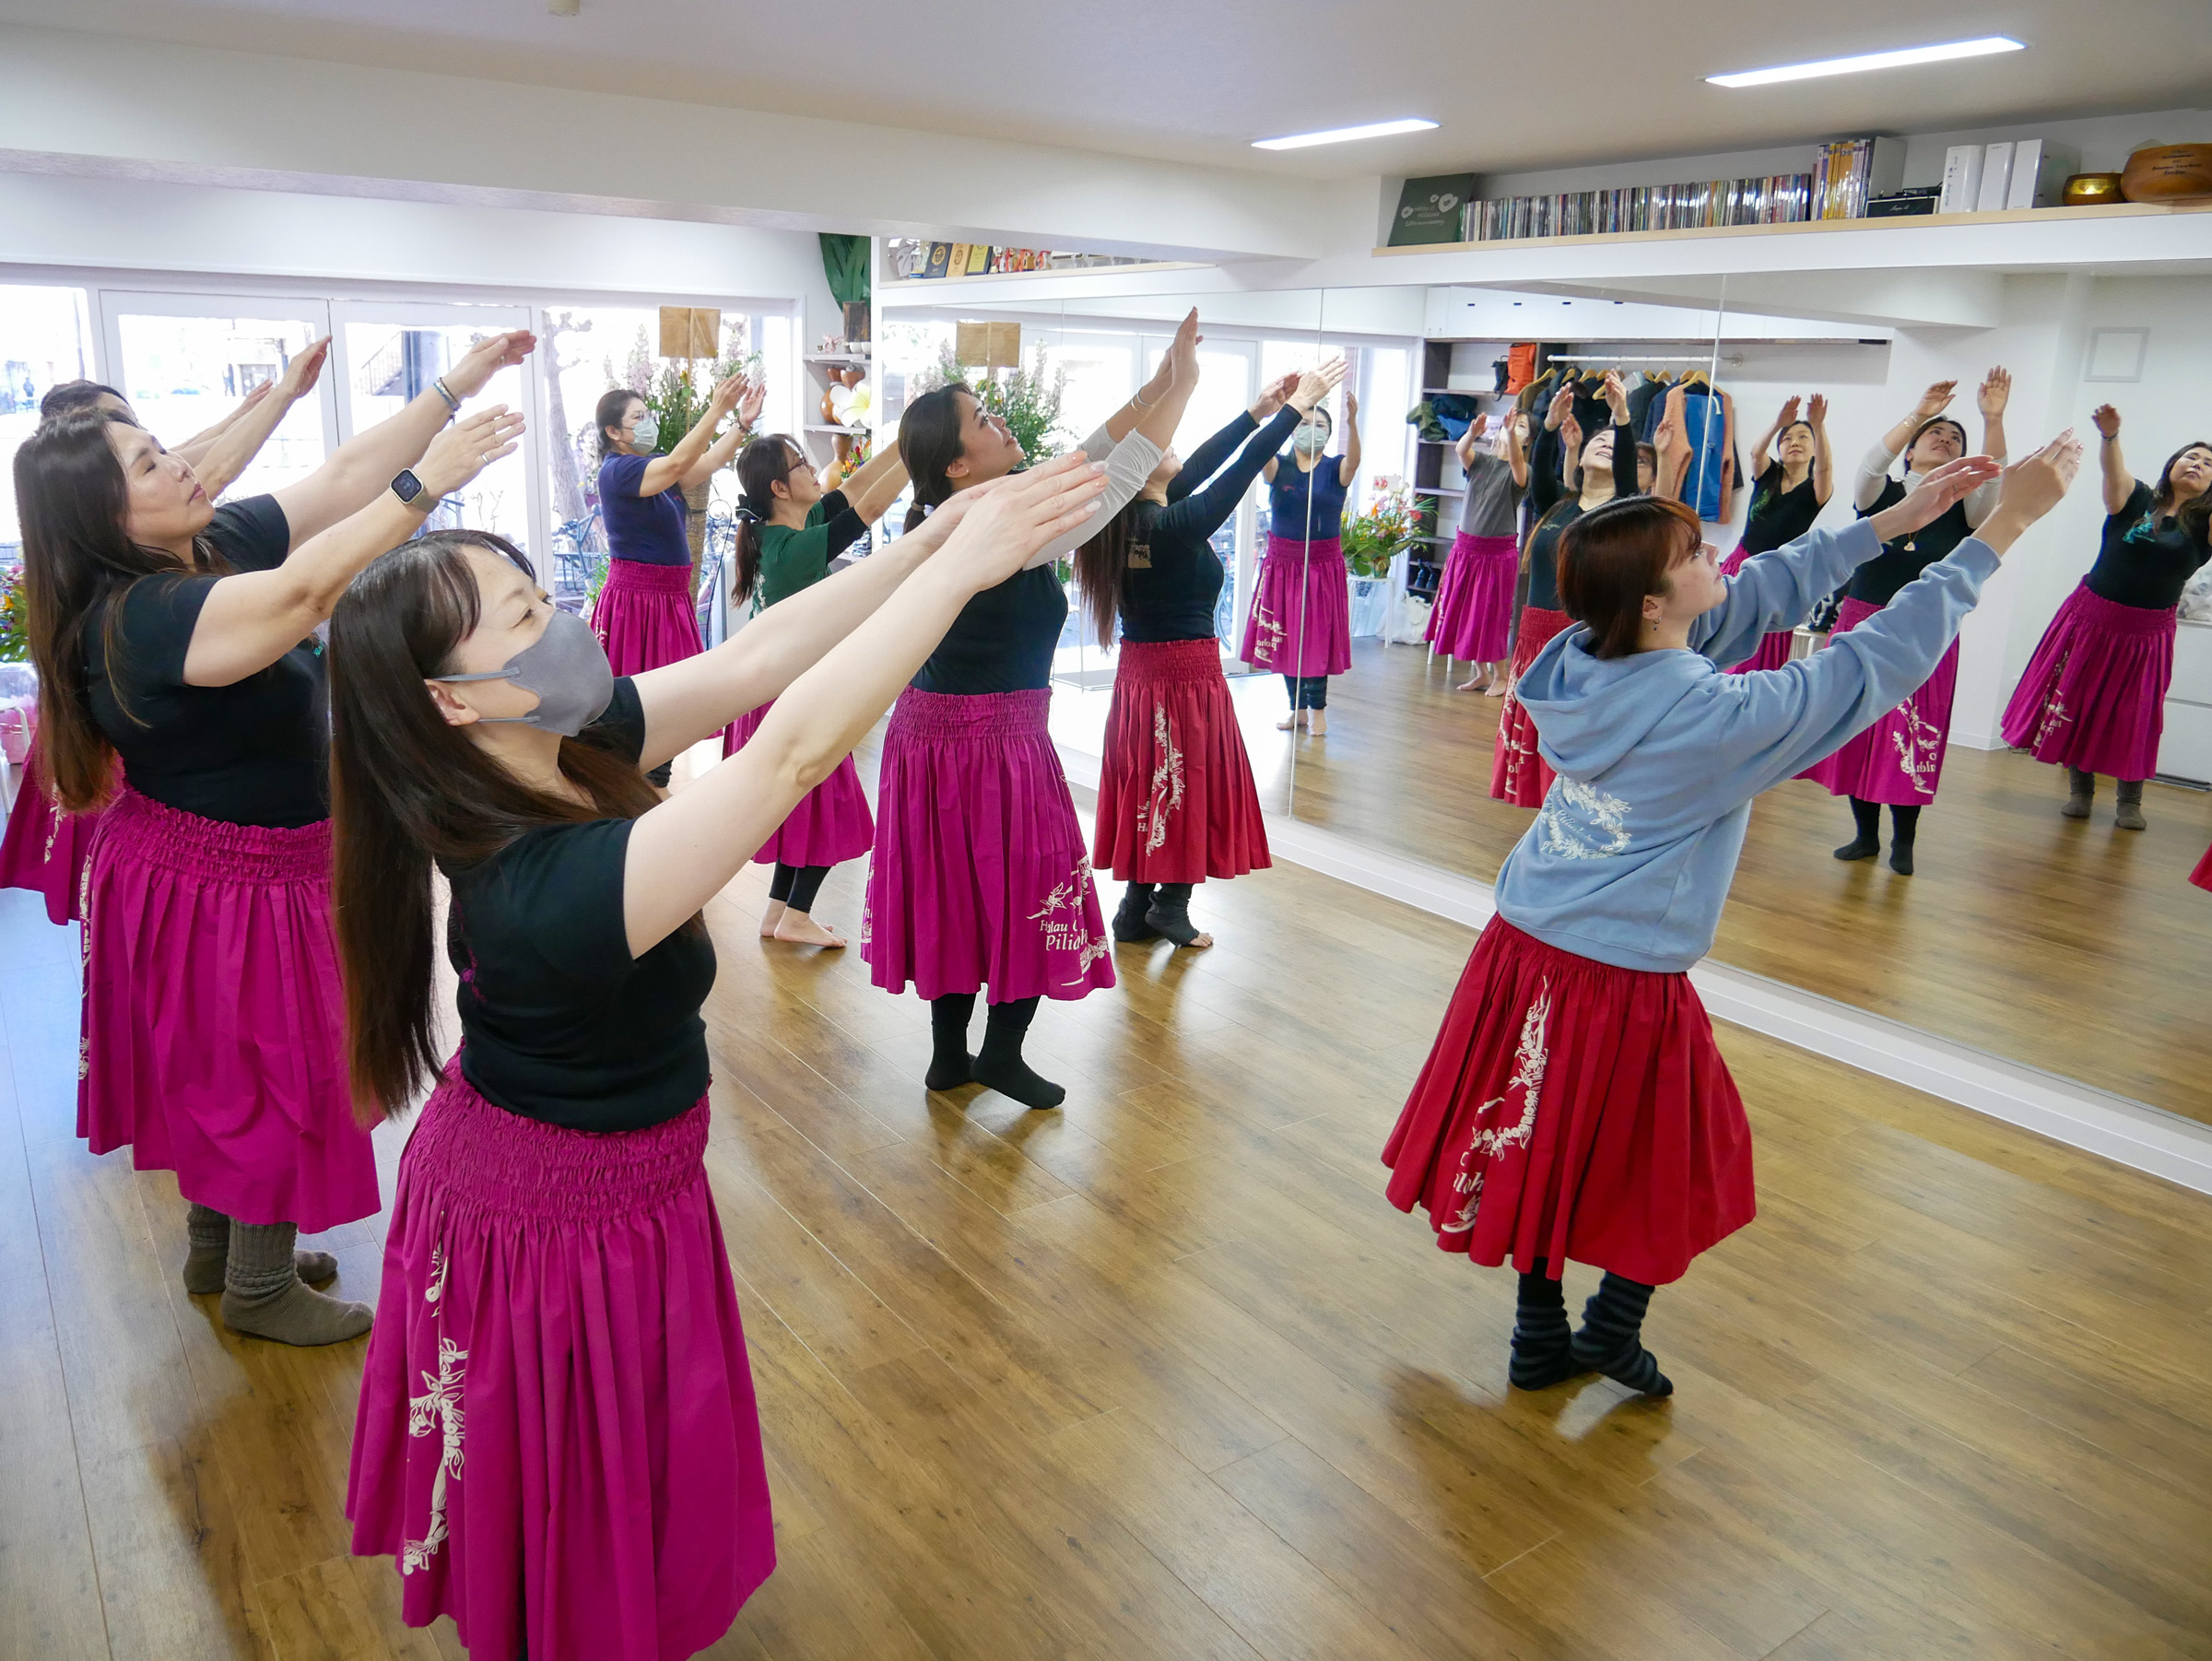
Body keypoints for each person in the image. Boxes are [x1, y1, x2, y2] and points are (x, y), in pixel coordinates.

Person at [334, 457, 1109, 1661]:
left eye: (545, 596)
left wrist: (924, 545)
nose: (567, 624)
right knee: (571, 1500)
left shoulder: (569, 745)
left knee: (620, 1482)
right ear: (452, 698)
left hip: (617, 1184)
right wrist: (960, 569)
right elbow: (788, 754)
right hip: (549, 1215)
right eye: (527, 618)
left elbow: (757, 663)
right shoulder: (545, 887)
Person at [1384, 436, 2077, 1396]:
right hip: (1614, 974)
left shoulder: (1584, 656)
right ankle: (1607, 1330)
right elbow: (1871, 663)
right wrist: (2003, 526)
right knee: (1687, 1153)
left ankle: (1544, 1333)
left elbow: (1765, 590)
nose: (1721, 558)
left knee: (1542, 1140)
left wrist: (1896, 520)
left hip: (1525, 942)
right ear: (1659, 604)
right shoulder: (1712, 718)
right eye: (1697, 555)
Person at [17, 328, 532, 1345]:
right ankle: (258, 1284)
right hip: (223, 878)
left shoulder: (200, 544)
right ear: (104, 514)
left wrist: (456, 383)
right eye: (149, 463)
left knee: (228, 1067)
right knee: (270, 1070)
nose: (181, 461)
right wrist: (427, 488)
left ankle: (225, 1249)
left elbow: (342, 476)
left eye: (159, 443)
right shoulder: (142, 614)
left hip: (219, 863)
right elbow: (308, 592)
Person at [867, 311, 1204, 1110]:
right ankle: (998, 1056)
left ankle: (952, 1056)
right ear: (957, 464)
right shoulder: (999, 522)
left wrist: (1163, 382)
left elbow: (1097, 460)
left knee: (956, 895)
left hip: (930, 740)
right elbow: (1110, 469)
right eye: (983, 421)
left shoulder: (945, 517)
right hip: (993, 745)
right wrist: (1180, 384)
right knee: (1027, 890)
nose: (1001, 421)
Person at [1, 342, 335, 924]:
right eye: (132, 442)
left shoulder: (114, 511)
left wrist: (271, 400)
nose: (164, 459)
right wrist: (279, 398)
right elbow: (216, 465)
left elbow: (203, 451)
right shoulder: (120, 592)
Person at [1081, 362, 1342, 948]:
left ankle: (1134, 908)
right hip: (1182, 678)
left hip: (1140, 679)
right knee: (1185, 784)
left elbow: (1203, 462)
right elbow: (1240, 471)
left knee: (1153, 783)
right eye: (1162, 445)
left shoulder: (1130, 519)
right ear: (1144, 468)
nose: (1174, 448)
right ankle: (1171, 904)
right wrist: (1298, 409)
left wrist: (1257, 411)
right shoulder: (1171, 524)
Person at [1803, 371, 2010, 874]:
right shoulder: (1880, 493)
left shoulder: (1969, 508)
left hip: (1927, 633)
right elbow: (1872, 461)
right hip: (1863, 622)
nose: (1946, 439)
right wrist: (1918, 414)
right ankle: (1865, 836)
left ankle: (1904, 842)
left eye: (1955, 439)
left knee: (1917, 732)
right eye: (1934, 435)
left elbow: (1997, 477)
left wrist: (1993, 419)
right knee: (1860, 727)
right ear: (1911, 452)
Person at [724, 431, 910, 946]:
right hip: (796, 696)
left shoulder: (784, 531)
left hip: (782, 693)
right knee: (832, 805)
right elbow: (869, 505)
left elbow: (859, 484)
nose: (813, 469)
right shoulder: (793, 550)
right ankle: (797, 914)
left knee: (799, 807)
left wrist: (905, 440)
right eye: (801, 464)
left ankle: (780, 913)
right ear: (780, 488)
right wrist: (924, 457)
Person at [2000, 406, 2209, 828]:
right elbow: (2114, 477)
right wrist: (2111, 436)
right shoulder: (2136, 499)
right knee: (2078, 701)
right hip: (2092, 617)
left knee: (2134, 714)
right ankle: (2081, 791)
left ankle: (2129, 800)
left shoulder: (2203, 523)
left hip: (2145, 634)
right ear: (2173, 464)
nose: (2198, 465)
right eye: (2192, 457)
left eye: (2209, 465)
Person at [590, 371, 764, 783]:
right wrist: (718, 409)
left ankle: (654, 779)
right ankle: (637, 789)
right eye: (639, 417)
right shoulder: (618, 472)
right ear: (613, 432)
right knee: (643, 705)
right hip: (639, 600)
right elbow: (679, 463)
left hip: (667, 598)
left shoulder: (648, 469)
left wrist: (740, 424)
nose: (647, 422)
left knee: (671, 702)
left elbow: (703, 464)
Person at [1490, 372, 1638, 808]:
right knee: (1536, 730)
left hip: (1585, 638)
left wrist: (1623, 416)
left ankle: (1573, 805)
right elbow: (1537, 474)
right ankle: (1542, 804)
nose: (1605, 444)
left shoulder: (1621, 510)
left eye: (1614, 444)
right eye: (1598, 441)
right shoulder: (1557, 502)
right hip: (1536, 634)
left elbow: (1628, 474)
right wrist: (1550, 427)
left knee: (1575, 735)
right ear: (1580, 458)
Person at [1247, 380, 1359, 733]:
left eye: (1320, 425)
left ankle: (1319, 710)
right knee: (1286, 638)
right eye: (1304, 424)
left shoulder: (1336, 467)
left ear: (1330, 432)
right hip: (1283, 565)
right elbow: (1257, 451)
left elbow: (1355, 461)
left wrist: (1353, 422)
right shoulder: (1278, 467)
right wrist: (1275, 415)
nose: (1312, 430)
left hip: (1323, 567)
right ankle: (1298, 710)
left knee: (1316, 638)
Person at [1717, 395, 1834, 673]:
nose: (1794, 442)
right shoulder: (1768, 475)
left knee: (1756, 657)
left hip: (1778, 580)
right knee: (1719, 639)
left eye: (1803, 437)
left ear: (1814, 447)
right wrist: (1778, 424)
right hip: (1740, 566)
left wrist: (1818, 426)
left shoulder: (1816, 490)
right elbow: (1756, 452)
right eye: (1787, 438)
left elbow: (1825, 468)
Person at [1429, 411, 1528, 695]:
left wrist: (1510, 434)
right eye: (1511, 425)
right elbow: (1461, 450)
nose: (1513, 429)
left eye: (1521, 427)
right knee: (1465, 613)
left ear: (1527, 439)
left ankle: (1500, 674)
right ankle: (1482, 673)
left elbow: (1518, 465)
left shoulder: (1520, 470)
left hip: (1496, 556)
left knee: (1491, 615)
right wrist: (1473, 431)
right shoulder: (1482, 461)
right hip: (1466, 550)